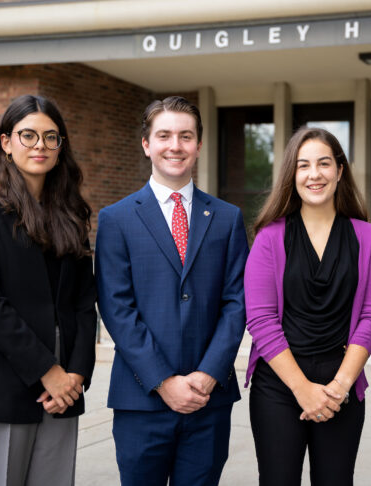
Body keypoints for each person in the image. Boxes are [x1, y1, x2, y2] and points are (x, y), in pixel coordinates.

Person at [95, 96, 248, 486]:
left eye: (185, 136)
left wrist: (209, 375)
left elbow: (237, 302)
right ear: (146, 144)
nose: (175, 145)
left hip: (208, 398)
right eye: (164, 135)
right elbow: (117, 308)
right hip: (141, 398)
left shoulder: (228, 218)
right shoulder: (116, 218)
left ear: (198, 145)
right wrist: (163, 381)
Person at [0, 94, 96, 486]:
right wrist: (48, 372)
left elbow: (83, 302)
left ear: (61, 147)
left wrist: (76, 374)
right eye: (27, 135)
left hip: (64, 385)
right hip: (2, 376)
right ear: (6, 142)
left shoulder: (71, 212)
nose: (40, 146)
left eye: (51, 137)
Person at [244, 126, 371, 486]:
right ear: (292, 175)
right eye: (303, 165)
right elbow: (260, 320)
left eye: (324, 163)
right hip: (278, 385)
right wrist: (302, 389)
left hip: (342, 383)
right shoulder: (269, 237)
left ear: (340, 171)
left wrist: (339, 387)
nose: (314, 174)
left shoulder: (367, 237)